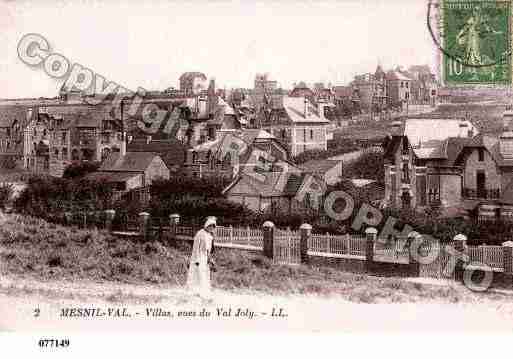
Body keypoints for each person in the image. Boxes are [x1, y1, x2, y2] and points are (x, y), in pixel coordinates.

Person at [186, 216, 217, 298]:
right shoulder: (200, 234)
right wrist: (196, 260)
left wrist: (211, 260)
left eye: (213, 226)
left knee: (205, 275)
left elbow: (209, 250)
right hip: (198, 257)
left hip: (205, 258)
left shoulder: (210, 236)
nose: (211, 228)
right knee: (196, 274)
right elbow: (195, 248)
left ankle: (204, 292)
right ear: (206, 225)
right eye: (210, 226)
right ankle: (194, 291)